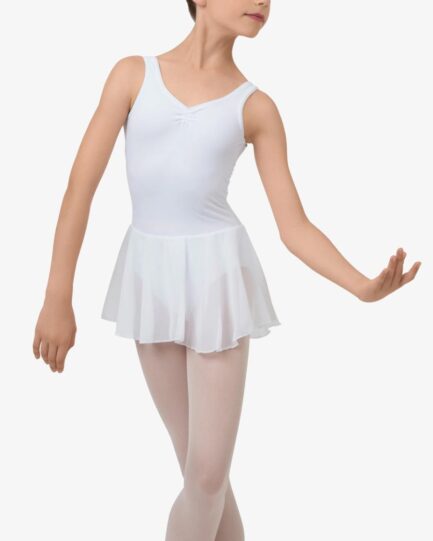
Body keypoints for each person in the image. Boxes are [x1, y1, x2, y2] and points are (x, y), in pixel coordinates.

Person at [32, 1, 422, 539]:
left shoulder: (256, 107)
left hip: (217, 281)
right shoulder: (132, 75)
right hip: (151, 279)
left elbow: (294, 225)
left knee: (207, 478)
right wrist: (57, 296)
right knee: (200, 475)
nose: (262, 2)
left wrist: (361, 286)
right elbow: (81, 188)